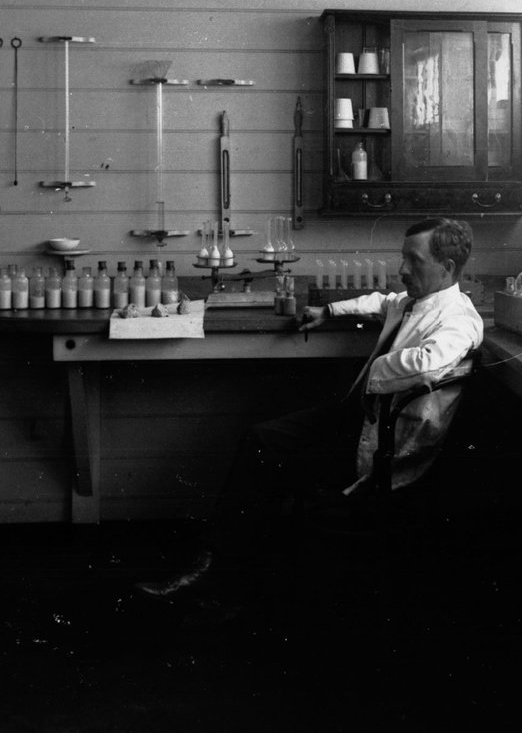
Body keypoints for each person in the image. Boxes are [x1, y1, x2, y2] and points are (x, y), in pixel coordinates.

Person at [138, 216, 484, 606]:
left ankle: (225, 577)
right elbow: (382, 302)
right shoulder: (416, 301)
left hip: (384, 445)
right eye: (403, 258)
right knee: (262, 440)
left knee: (266, 453)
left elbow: (430, 362)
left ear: (448, 268)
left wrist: (376, 369)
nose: (402, 269)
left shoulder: (458, 318)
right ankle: (227, 566)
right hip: (363, 418)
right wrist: (330, 312)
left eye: (413, 261)